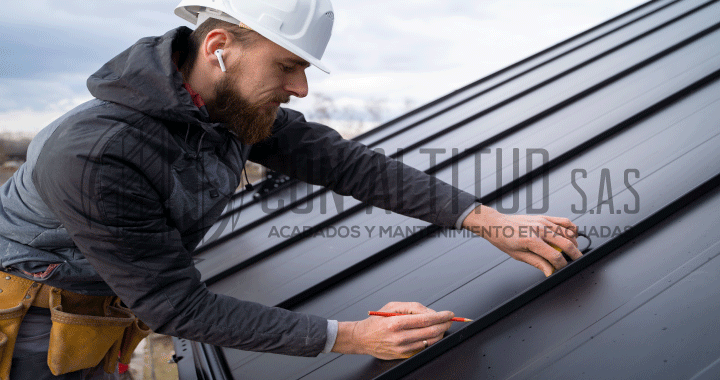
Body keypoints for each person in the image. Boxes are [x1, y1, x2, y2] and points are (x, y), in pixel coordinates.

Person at [0, 0, 581, 378]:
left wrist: (485, 219)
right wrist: (354, 336)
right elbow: (176, 304)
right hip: (34, 319)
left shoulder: (220, 108)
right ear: (219, 47)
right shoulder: (100, 155)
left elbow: (350, 165)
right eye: (286, 66)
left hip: (109, 306)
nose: (300, 88)